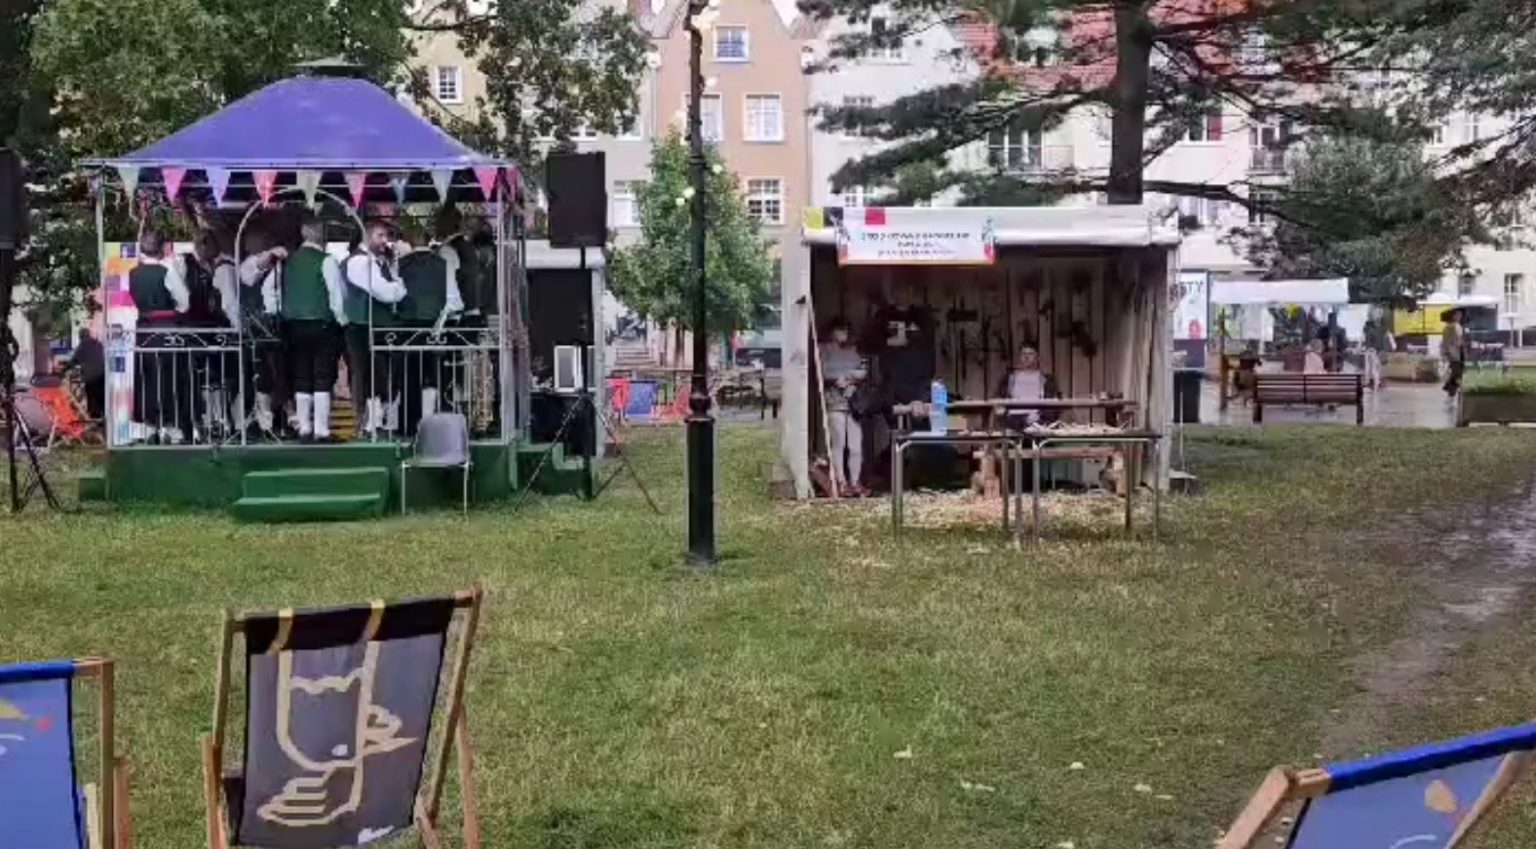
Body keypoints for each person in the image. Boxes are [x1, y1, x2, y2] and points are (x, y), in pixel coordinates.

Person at [278, 218, 348, 442]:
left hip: (293, 325)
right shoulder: (326, 261)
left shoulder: (288, 262)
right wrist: (343, 322)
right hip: (321, 323)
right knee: (322, 376)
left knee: (302, 376)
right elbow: (336, 295)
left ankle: (304, 428)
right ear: (322, 235)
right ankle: (321, 430)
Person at [342, 221, 408, 438]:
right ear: (367, 236)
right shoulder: (360, 262)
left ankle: (376, 422)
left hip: (374, 324)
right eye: (380, 235)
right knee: (368, 374)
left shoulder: (378, 261)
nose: (384, 241)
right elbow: (384, 292)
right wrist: (400, 289)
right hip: (361, 324)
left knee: (378, 373)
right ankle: (369, 424)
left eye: (385, 236)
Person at [396, 226, 464, 432]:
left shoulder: (399, 264)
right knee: (432, 374)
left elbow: (393, 298)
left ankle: (409, 425)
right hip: (435, 328)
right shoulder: (443, 265)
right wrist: (442, 321)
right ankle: (430, 422)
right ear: (429, 241)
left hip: (407, 327)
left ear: (410, 242)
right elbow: (454, 301)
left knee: (409, 377)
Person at [128, 230, 191, 441]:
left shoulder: (133, 273)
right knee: (167, 376)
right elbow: (184, 303)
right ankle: (171, 426)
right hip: (165, 329)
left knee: (146, 375)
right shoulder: (166, 271)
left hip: (143, 329)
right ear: (161, 248)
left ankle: (150, 426)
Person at [239, 226, 289, 435]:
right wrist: (271, 253)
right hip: (259, 327)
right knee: (264, 377)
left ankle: (284, 421)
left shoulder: (278, 265)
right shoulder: (248, 264)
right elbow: (255, 270)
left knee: (281, 374)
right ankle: (265, 423)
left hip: (279, 324)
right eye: (263, 239)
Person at [819, 317, 867, 495]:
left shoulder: (853, 351)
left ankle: (855, 481)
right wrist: (834, 379)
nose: (843, 334)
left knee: (855, 445)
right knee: (838, 444)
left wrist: (853, 379)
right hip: (834, 402)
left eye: (845, 330)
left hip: (853, 404)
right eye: (840, 330)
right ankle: (841, 481)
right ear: (831, 331)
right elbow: (820, 373)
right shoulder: (824, 350)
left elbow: (863, 371)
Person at [995, 344, 1060, 427]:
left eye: (1030, 354)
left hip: (1037, 418)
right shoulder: (1009, 379)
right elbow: (1000, 399)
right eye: (1023, 354)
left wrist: (1040, 417)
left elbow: (1051, 403)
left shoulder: (1046, 380)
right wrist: (1003, 411)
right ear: (1020, 357)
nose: (1026, 357)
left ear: (1037, 358)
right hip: (1013, 418)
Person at [63, 328, 105, 421]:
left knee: (91, 396)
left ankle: (94, 417)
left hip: (91, 376)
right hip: (103, 375)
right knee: (101, 396)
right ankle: (102, 416)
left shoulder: (82, 346)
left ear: (80, 337)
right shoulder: (99, 344)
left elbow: (74, 361)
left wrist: (64, 369)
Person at [1441, 308, 1467, 397]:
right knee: (1457, 372)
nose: (1460, 316)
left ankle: (1451, 389)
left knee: (1456, 371)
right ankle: (1452, 388)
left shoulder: (1447, 327)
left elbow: (1445, 342)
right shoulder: (1455, 326)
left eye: (1460, 315)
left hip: (1452, 352)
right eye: (1458, 315)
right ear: (1453, 316)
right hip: (1455, 352)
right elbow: (1458, 340)